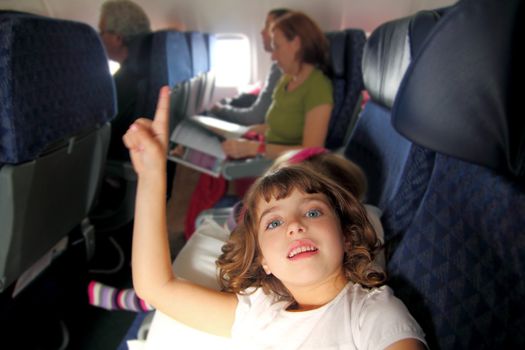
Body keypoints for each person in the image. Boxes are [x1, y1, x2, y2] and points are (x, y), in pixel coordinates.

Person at [122, 87, 427, 349]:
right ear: (263, 259)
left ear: (347, 236)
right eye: (274, 223)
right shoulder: (259, 311)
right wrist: (151, 175)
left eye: (312, 211)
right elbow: (157, 288)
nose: (295, 226)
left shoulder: (372, 315)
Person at [221, 11, 333, 159]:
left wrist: (256, 149)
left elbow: (311, 151)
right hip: (267, 151)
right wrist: (245, 131)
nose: (273, 56)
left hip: (284, 168)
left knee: (213, 165)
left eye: (276, 47)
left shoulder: (318, 88)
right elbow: (276, 127)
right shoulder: (286, 80)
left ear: (296, 44)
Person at [209, 8, 290, 126]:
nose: (262, 32)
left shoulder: (280, 70)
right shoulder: (278, 67)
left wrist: (221, 110)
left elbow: (255, 118)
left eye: (267, 26)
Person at [99, 0, 151, 160]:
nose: (99, 37)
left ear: (118, 38)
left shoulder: (126, 81)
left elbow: (102, 129)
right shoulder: (148, 67)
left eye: (101, 32)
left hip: (114, 157)